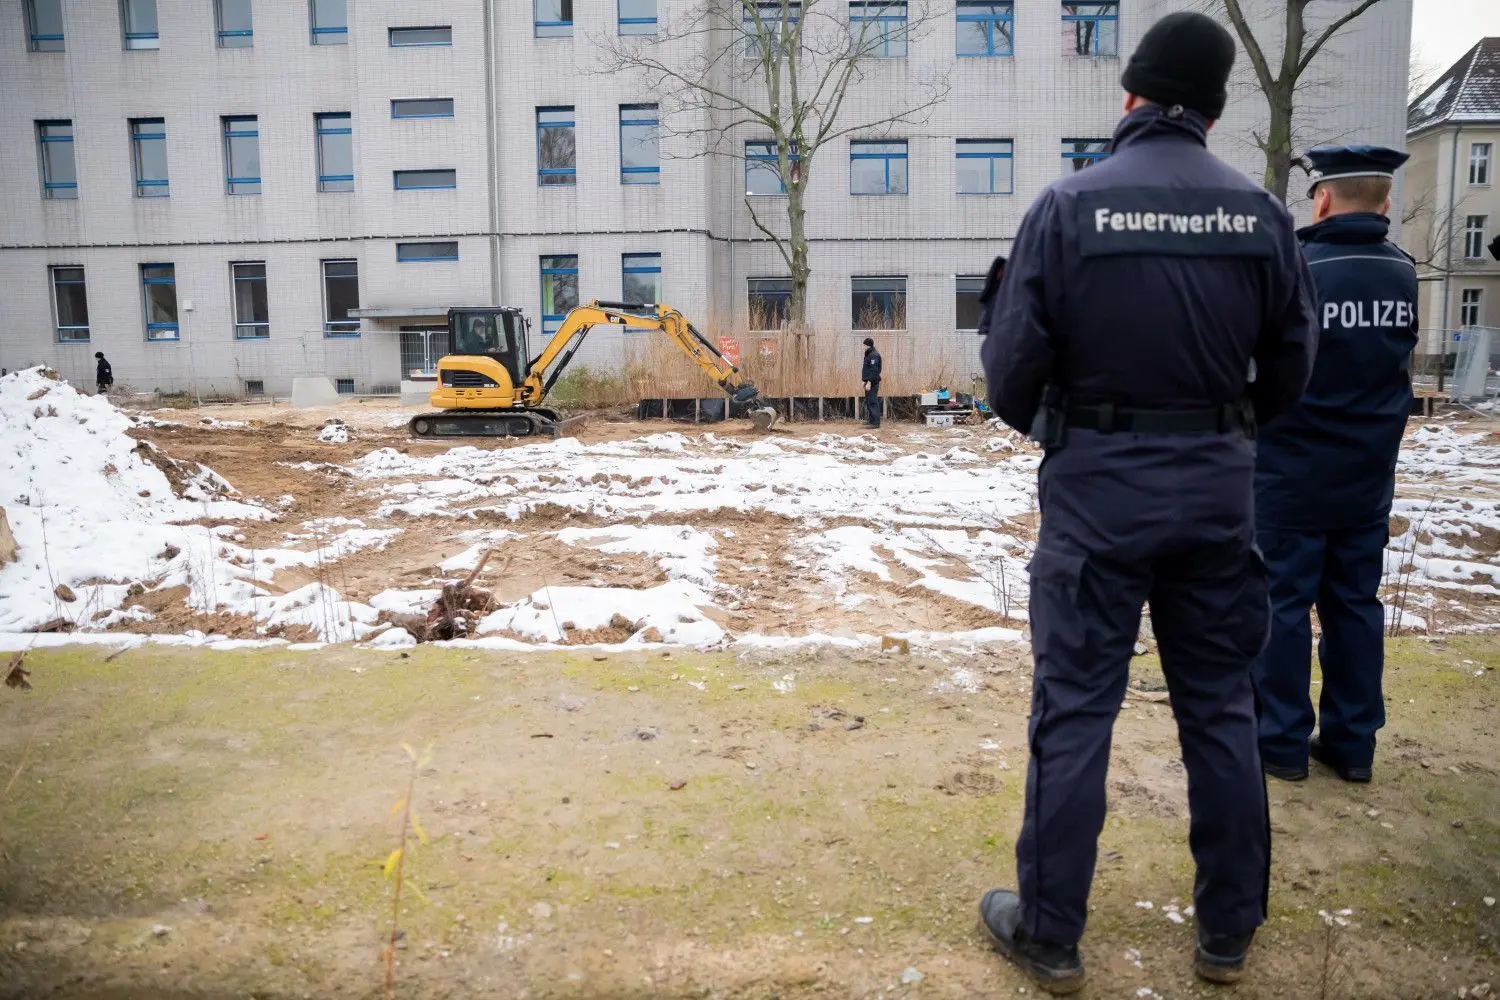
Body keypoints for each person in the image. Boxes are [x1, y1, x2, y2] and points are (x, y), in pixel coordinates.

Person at [976, 11, 1319, 993]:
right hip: (1217, 495)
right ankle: (1228, 931)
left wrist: (1074, 423)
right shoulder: (1260, 215)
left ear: (1130, 97)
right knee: (1221, 705)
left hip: (1096, 499)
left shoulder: (1068, 207)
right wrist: (1226, 423)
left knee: (1077, 704)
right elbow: (1296, 364)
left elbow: (1007, 374)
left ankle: (1050, 931)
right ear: (1212, 110)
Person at [1253, 146, 1418, 785]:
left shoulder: (1295, 269)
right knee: (1355, 605)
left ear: (1321, 198)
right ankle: (1352, 745)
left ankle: (1281, 745)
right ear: (1383, 202)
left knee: (1283, 605)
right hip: (1367, 477)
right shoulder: (1402, 274)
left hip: (1290, 474)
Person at [860, 337, 882, 429]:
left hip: (872, 382)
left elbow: (874, 370)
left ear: (868, 345)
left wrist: (869, 382)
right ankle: (871, 420)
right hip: (868, 382)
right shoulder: (869, 354)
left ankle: (876, 423)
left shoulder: (874, 355)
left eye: (864, 345)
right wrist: (864, 381)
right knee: (869, 401)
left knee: (873, 402)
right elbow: (867, 369)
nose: (863, 347)